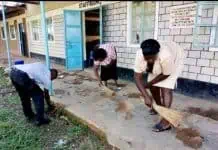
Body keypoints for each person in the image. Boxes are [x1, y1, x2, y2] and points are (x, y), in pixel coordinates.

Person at [134, 39, 184, 132]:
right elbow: (137, 77)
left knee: (166, 88)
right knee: (153, 86)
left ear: (157, 53)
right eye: (147, 58)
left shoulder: (166, 56)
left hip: (175, 57)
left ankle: (166, 121)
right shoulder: (139, 55)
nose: (150, 60)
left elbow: (166, 74)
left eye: (152, 57)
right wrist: (146, 96)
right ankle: (158, 107)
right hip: (158, 63)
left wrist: (149, 83)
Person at [9, 62, 58, 126]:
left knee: (24, 96)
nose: (51, 80)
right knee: (39, 95)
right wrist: (50, 105)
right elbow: (46, 94)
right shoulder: (47, 79)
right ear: (52, 76)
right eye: (52, 79)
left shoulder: (42, 66)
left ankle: (29, 115)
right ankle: (40, 120)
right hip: (22, 75)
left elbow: (34, 78)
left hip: (13, 72)